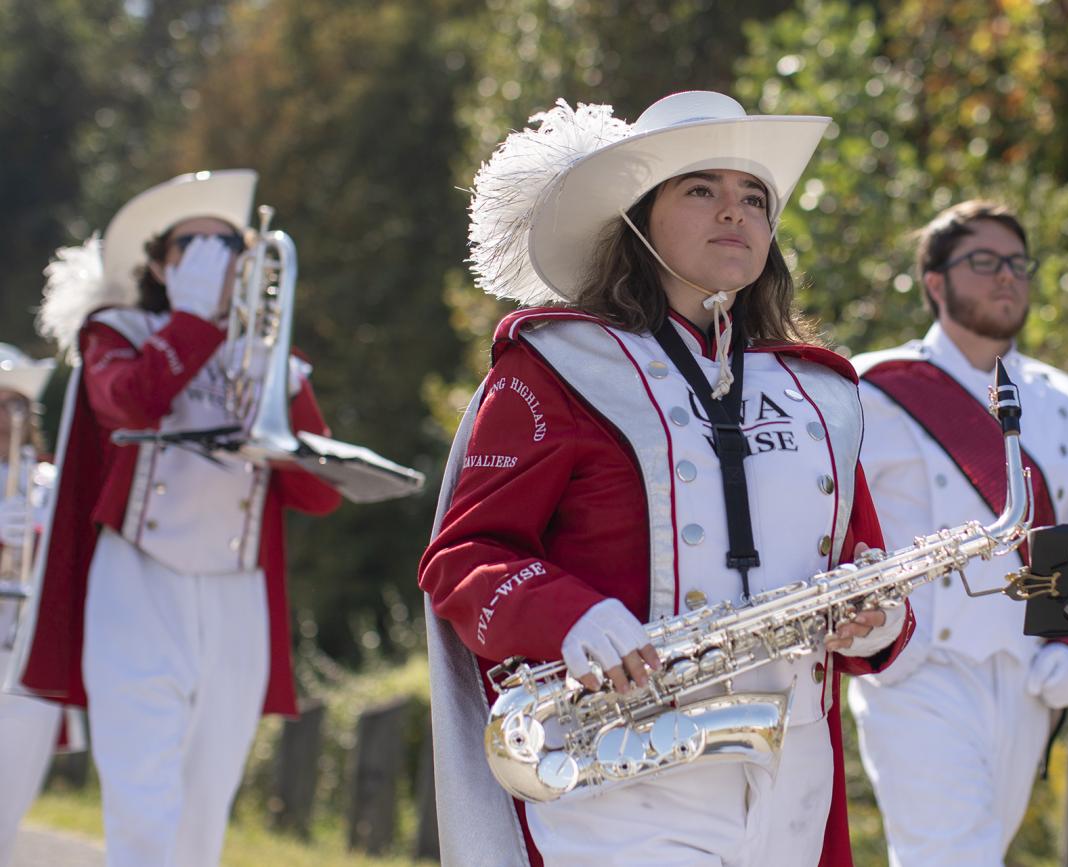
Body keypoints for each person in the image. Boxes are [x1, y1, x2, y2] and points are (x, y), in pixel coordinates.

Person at [419, 90, 915, 867]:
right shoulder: (557, 367)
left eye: (754, 197)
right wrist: (572, 618)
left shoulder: (818, 390)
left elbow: (865, 564)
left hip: (796, 785)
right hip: (624, 782)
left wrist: (878, 621)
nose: (735, 211)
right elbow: (464, 558)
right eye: (700, 189)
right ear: (637, 218)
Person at [11, 169, 342, 867]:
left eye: (226, 245)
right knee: (142, 801)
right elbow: (128, 403)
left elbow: (317, 493)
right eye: (190, 247)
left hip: (235, 593)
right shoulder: (117, 331)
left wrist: (282, 379)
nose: (211, 260)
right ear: (161, 264)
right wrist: (191, 323)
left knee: (204, 809)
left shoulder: (266, 351)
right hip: (137, 578)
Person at [846, 200, 1068, 866]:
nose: (1006, 278)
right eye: (984, 262)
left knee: (984, 849)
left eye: (1018, 263)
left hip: (1025, 675)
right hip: (920, 667)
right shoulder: (872, 386)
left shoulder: (1059, 396)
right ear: (935, 281)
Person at [0, 343, 80, 867]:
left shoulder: (47, 484)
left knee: (7, 805)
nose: (8, 419)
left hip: (26, 655)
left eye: (18, 406)